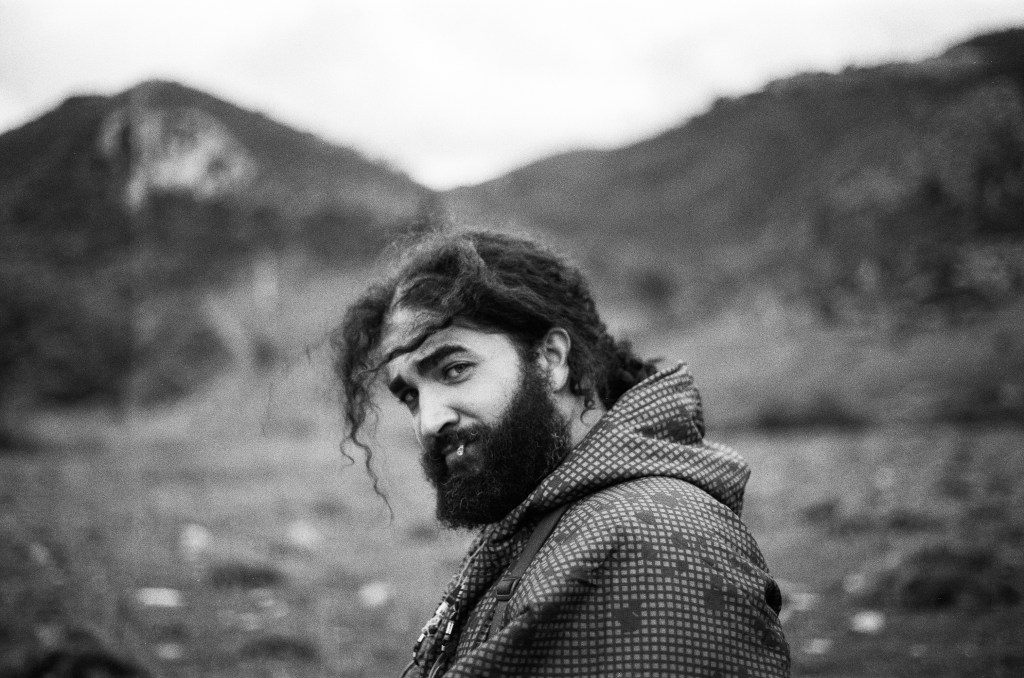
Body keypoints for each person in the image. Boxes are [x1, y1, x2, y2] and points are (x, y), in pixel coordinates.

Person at [331, 230, 790, 678]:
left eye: (455, 370)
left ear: (551, 358)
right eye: (410, 396)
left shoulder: (655, 543)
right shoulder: (551, 512)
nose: (430, 421)